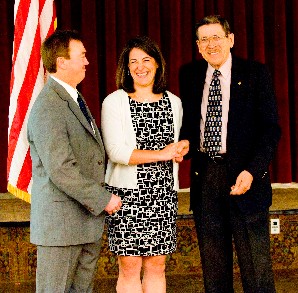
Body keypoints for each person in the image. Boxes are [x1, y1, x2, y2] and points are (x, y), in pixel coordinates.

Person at [179, 15, 281, 293]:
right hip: (206, 181)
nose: (211, 44)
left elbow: (270, 130)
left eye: (217, 37)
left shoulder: (255, 73)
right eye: (204, 39)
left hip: (246, 179)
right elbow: (189, 126)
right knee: (214, 273)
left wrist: (252, 171)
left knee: (257, 273)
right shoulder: (189, 74)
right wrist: (184, 145)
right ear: (198, 46)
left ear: (231, 40)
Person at [27, 30, 122, 292]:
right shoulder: (49, 105)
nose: (87, 62)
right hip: (61, 228)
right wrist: (103, 199)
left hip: (83, 224)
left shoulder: (73, 98)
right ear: (62, 62)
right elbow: (61, 169)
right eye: (82, 56)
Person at [101, 35, 189, 293]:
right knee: (129, 268)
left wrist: (179, 150)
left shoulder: (174, 102)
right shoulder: (114, 101)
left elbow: (174, 147)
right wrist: (162, 154)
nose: (140, 67)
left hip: (163, 196)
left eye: (146, 60)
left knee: (157, 267)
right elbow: (116, 152)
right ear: (126, 68)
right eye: (134, 62)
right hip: (126, 197)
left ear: (158, 64)